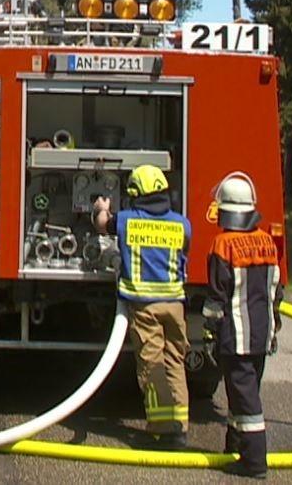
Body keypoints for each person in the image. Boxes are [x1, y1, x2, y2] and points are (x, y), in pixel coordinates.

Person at [93, 163, 191, 447]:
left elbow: (102, 224)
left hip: (144, 307)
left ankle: (161, 429)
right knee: (175, 362)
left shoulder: (126, 220)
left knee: (152, 365)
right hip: (175, 305)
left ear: (135, 193)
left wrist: (101, 206)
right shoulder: (182, 224)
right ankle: (181, 426)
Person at [201, 172, 283, 479]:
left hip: (235, 338)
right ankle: (234, 447)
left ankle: (254, 463)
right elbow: (276, 292)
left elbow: (215, 298)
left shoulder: (223, 245)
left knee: (247, 402)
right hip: (262, 336)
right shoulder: (266, 242)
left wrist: (209, 331)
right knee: (241, 396)